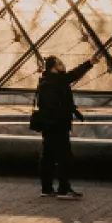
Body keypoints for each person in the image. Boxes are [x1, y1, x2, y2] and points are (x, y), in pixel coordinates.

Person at [31, 52, 93, 199]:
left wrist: (90, 62)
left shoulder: (49, 81)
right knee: (64, 157)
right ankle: (63, 190)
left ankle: (47, 189)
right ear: (53, 68)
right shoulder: (54, 82)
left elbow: (73, 75)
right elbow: (72, 76)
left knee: (48, 157)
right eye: (59, 63)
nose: (63, 65)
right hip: (57, 126)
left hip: (50, 126)